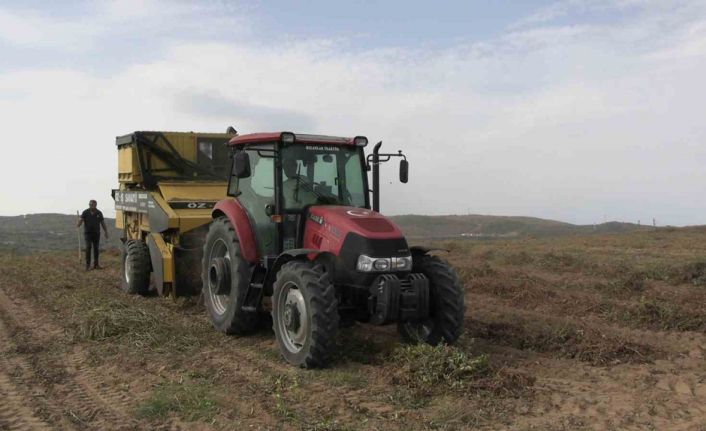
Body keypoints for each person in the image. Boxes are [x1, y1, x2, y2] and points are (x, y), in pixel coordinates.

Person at [77, 200, 109, 270]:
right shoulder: (85, 212)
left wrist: (106, 231)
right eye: (90, 204)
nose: (91, 206)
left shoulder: (99, 213)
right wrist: (78, 224)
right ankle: (88, 266)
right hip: (88, 233)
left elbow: (102, 223)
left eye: (93, 205)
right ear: (89, 205)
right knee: (88, 248)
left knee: (96, 249)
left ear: (96, 205)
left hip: (96, 233)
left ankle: (96, 265)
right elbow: (81, 220)